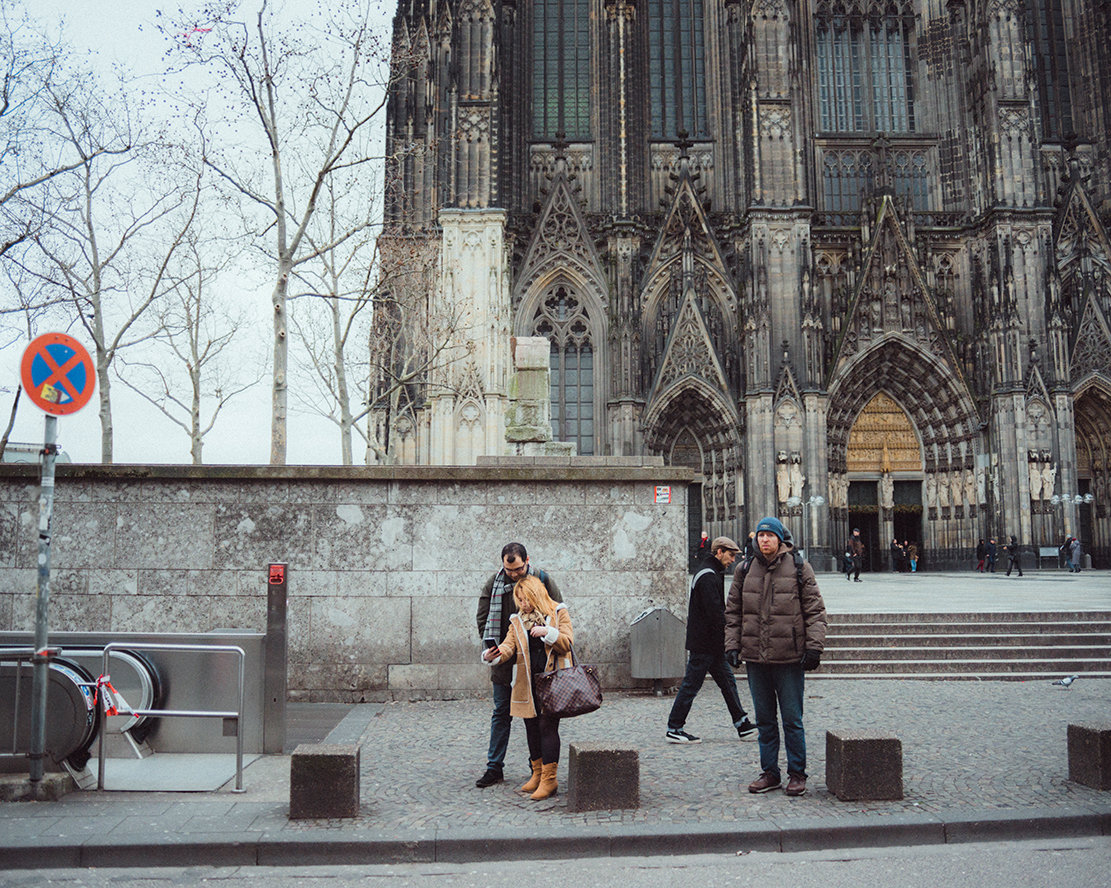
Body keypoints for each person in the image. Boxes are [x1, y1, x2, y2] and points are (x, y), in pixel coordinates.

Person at [725, 517, 827, 797]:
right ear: (756, 539)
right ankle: (770, 772)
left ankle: (797, 774)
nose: (765, 540)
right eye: (761, 535)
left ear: (780, 539)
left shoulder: (798, 567)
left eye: (770, 535)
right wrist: (732, 646)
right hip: (757, 657)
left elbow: (815, 611)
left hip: (789, 657)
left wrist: (814, 647)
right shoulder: (744, 570)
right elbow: (733, 612)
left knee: (792, 719)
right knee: (765, 720)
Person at [474, 542, 562, 788]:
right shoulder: (494, 583)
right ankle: (494, 767)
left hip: (537, 662)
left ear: (527, 561)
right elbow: (483, 617)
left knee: (537, 717)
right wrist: (491, 646)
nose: (513, 574)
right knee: (501, 712)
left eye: (518, 569)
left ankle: (540, 771)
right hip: (505, 657)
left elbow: (559, 614)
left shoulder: (542, 579)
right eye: (508, 569)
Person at [482, 575, 572, 800]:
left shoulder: (558, 611)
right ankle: (538, 773)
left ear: (536, 594)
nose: (523, 604)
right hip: (527, 680)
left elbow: (568, 642)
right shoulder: (518, 620)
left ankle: (550, 780)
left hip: (553, 680)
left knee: (547, 726)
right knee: (531, 726)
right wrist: (492, 655)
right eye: (519, 600)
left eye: (526, 599)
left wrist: (548, 633)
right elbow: (508, 646)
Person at [665, 537, 757, 744]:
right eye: (731, 555)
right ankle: (674, 727)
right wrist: (729, 640)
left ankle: (742, 724)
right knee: (691, 685)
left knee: (728, 683)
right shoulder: (708, 575)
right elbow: (715, 613)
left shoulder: (711, 571)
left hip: (711, 642)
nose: (733, 560)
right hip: (705, 642)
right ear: (719, 552)